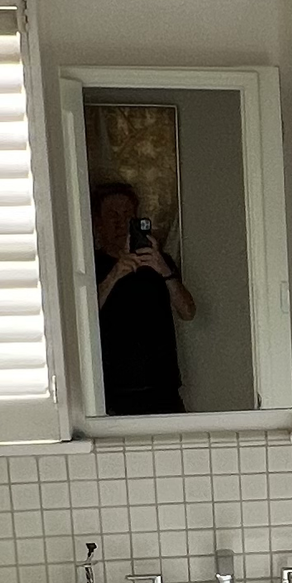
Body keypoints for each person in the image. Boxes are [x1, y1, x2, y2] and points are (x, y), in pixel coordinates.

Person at [92, 178, 195, 415]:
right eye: (113, 215)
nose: (121, 222)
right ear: (98, 223)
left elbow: (188, 311)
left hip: (163, 387)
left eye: (128, 215)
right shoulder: (91, 265)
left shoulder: (159, 261)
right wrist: (115, 274)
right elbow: (82, 319)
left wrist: (165, 271)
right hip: (114, 390)